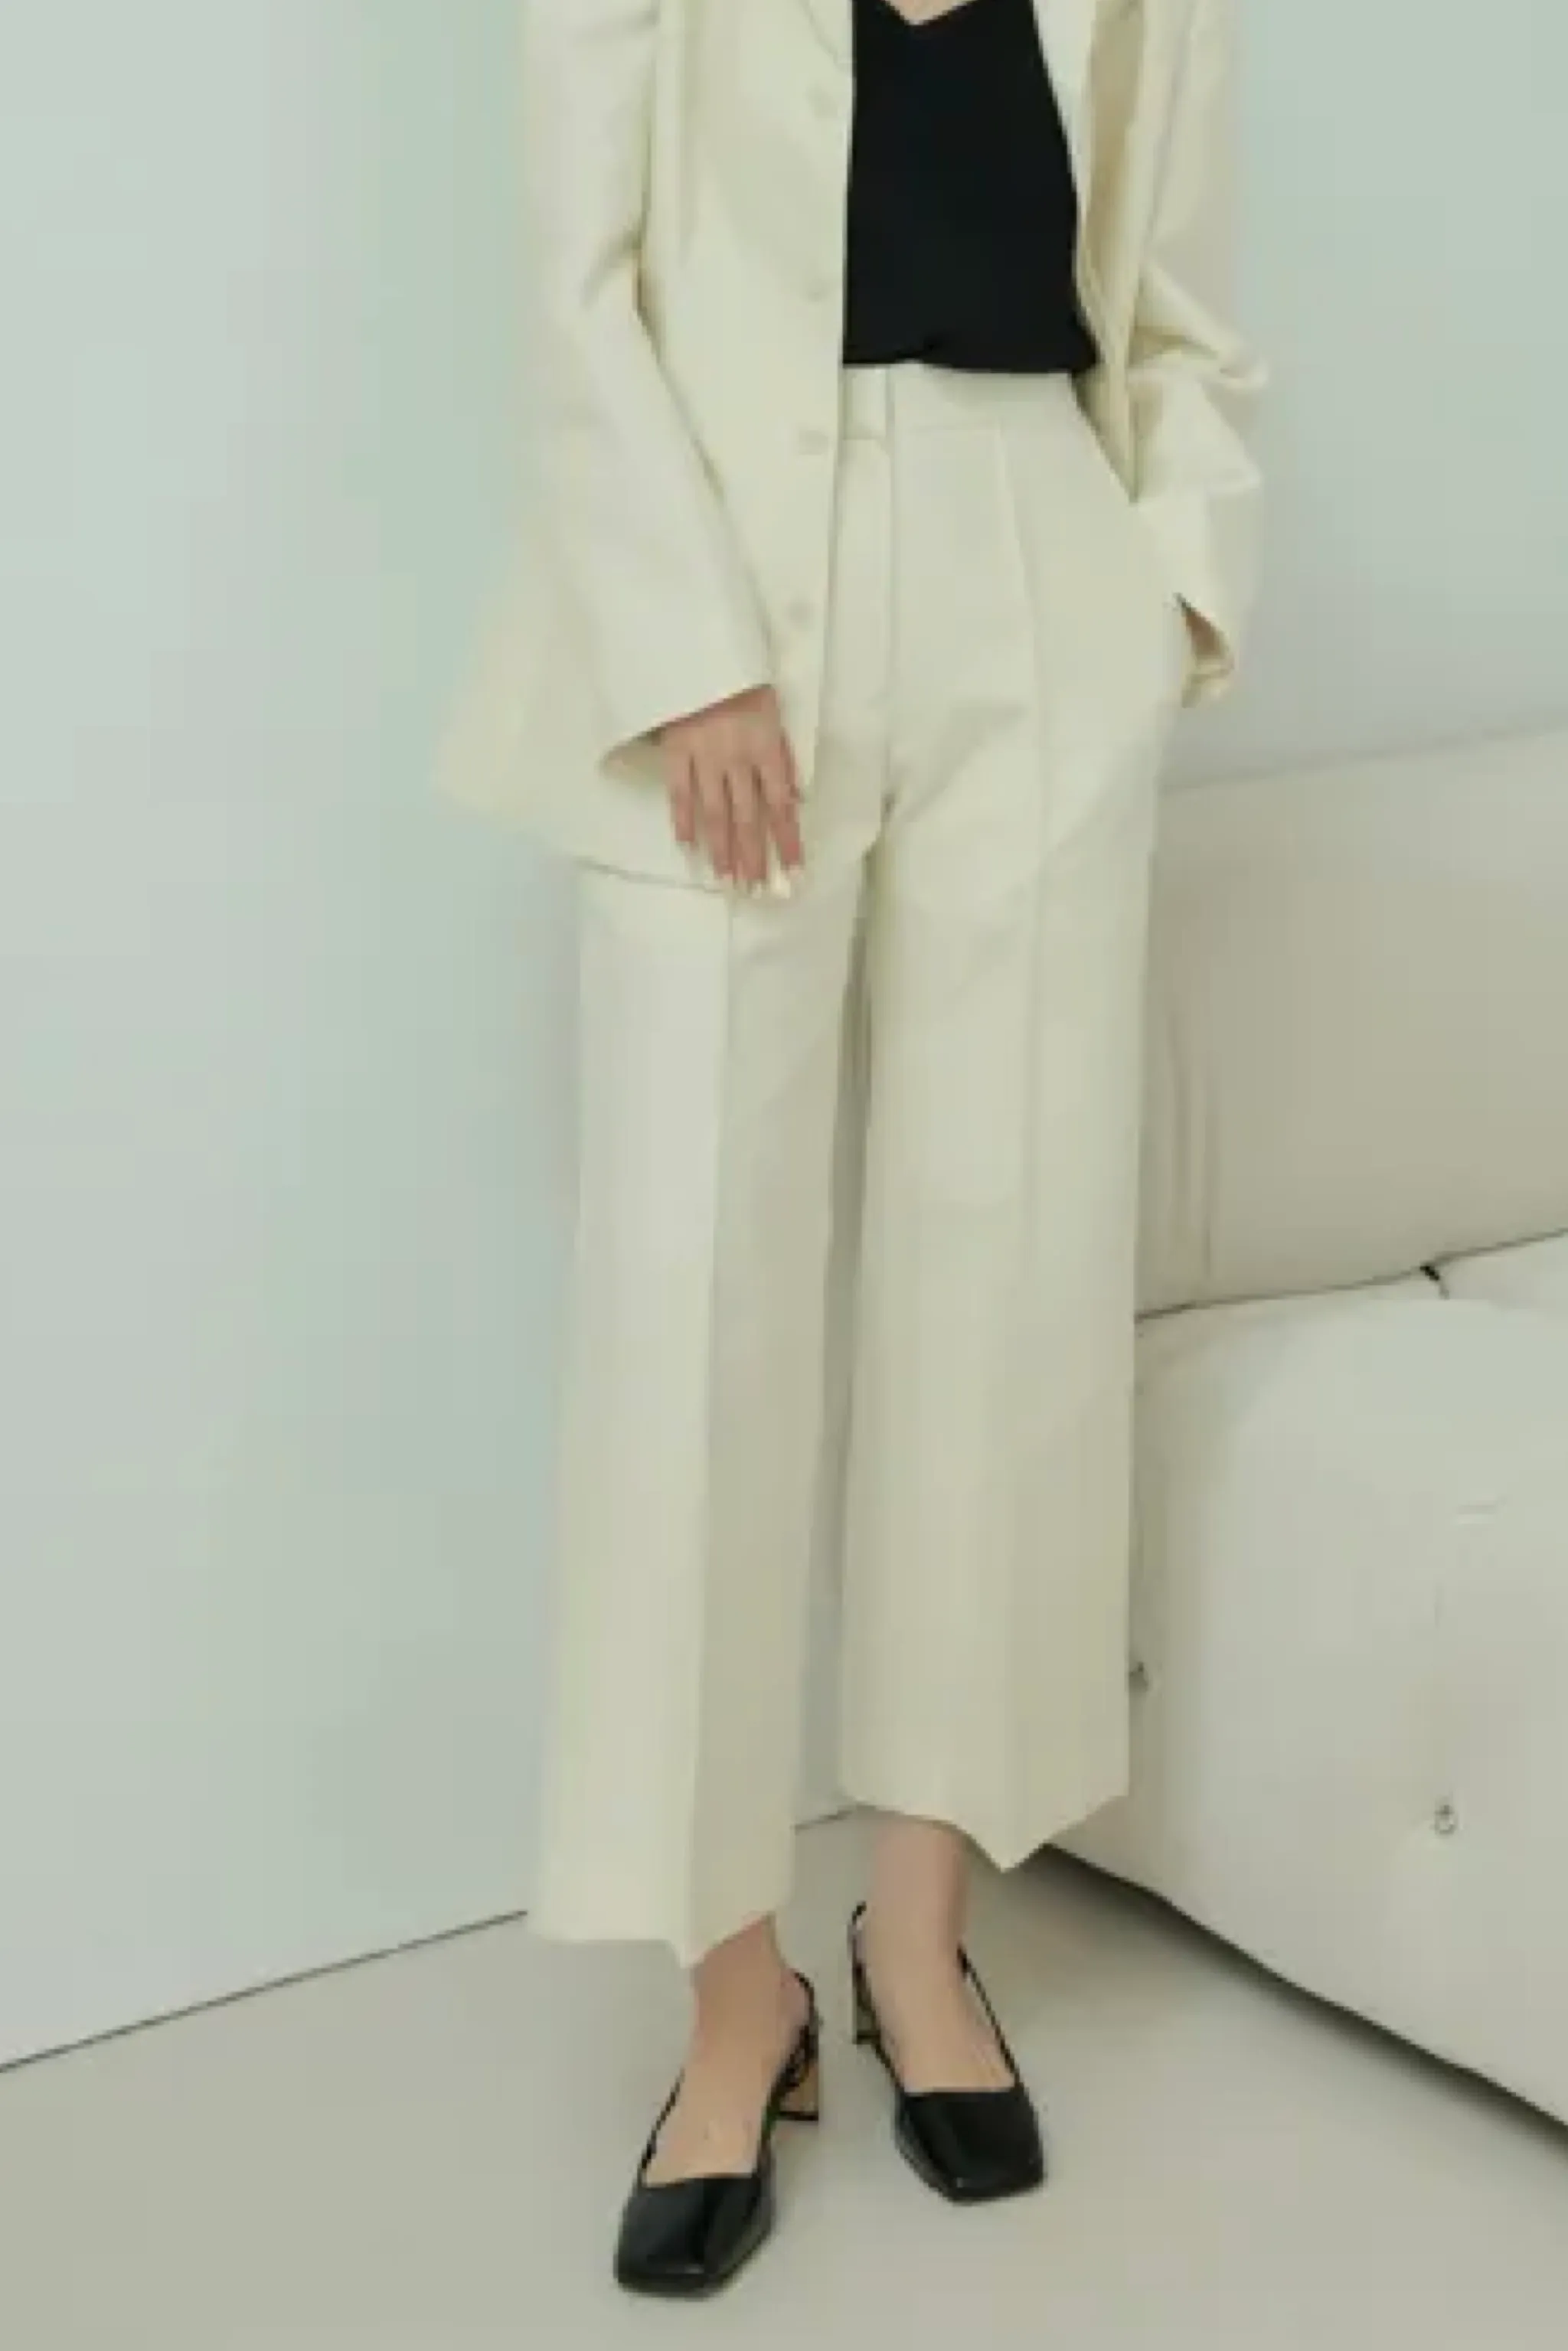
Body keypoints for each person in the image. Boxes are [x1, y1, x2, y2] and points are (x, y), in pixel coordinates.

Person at [437, 0, 1264, 2298]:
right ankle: (736, 2006)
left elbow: (1183, 304)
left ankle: (918, 1939)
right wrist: (683, 645)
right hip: (726, 600)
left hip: (1036, 569)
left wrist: (1164, 599)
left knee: (1006, 1291)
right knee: (690, 1303)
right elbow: (577, 281)